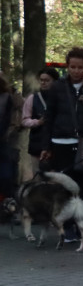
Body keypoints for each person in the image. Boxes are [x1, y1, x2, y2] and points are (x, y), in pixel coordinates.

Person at [39, 48, 83, 240]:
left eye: (80, 67)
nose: (76, 71)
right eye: (72, 67)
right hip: (60, 142)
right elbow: (49, 118)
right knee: (64, 187)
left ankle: (80, 226)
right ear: (67, 67)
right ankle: (66, 227)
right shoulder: (57, 87)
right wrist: (46, 146)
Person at [20, 67, 59, 181]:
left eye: (47, 80)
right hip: (37, 143)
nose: (43, 83)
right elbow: (24, 120)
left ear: (54, 81)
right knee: (38, 176)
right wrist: (37, 122)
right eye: (41, 80)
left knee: (54, 178)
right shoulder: (33, 98)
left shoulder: (60, 98)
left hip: (55, 143)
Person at [0, 70, 23, 200]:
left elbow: (8, 119)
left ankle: (7, 204)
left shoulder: (7, 97)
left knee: (6, 176)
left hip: (4, 141)